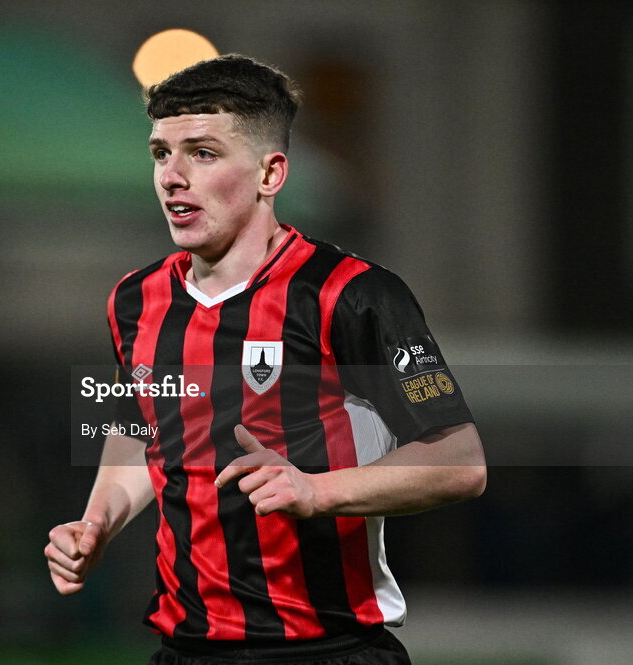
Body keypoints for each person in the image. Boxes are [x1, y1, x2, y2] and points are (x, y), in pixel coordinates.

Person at [45, 54, 486, 665]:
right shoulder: (134, 300)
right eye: (160, 154)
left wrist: (316, 490)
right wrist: (98, 522)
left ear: (270, 173)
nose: (173, 176)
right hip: (185, 651)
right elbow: (139, 427)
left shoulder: (348, 295)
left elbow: (460, 463)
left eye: (202, 153)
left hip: (327, 650)